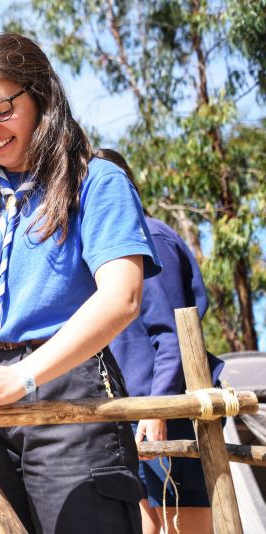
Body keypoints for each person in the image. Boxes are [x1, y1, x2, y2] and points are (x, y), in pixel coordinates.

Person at [0, 33, 162, 534]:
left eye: (1, 109)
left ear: (42, 97)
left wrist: (25, 376)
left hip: (69, 387)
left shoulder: (97, 181)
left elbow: (123, 297)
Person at [98, 148, 223, 534]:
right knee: (144, 526)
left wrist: (158, 410)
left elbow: (173, 335)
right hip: (131, 411)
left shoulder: (147, 239)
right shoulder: (111, 251)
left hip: (167, 408)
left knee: (185, 522)